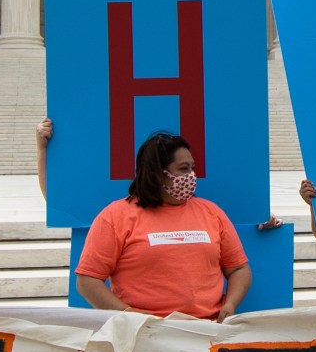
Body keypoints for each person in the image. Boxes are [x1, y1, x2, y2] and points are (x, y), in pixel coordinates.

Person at [76, 131, 253, 318]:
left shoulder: (211, 212)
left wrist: (230, 304)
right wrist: (128, 315)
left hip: (207, 331)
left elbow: (239, 268)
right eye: (183, 168)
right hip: (144, 333)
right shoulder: (114, 216)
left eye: (193, 168)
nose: (191, 176)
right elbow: (88, 280)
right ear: (157, 174)